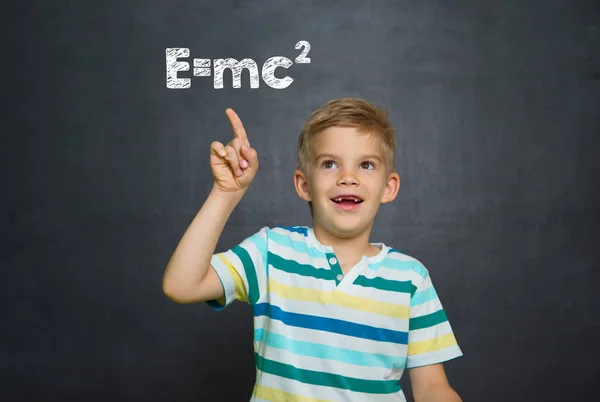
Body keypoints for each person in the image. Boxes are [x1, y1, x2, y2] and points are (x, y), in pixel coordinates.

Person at [162, 98, 463, 401]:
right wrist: (225, 193)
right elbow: (181, 285)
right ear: (304, 184)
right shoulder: (271, 252)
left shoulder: (411, 278)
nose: (348, 177)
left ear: (389, 187)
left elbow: (432, 388)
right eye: (329, 164)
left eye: (366, 164)